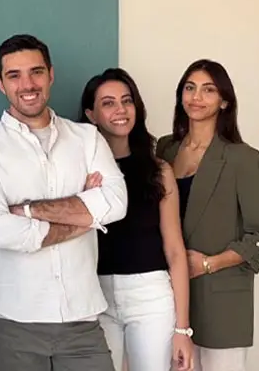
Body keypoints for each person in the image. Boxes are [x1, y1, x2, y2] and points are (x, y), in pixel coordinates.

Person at [0, 34, 128, 371]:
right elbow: (0, 233)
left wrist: (27, 211)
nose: (28, 84)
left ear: (51, 75)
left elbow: (116, 204)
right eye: (14, 75)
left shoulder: (86, 138)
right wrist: (85, 213)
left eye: (36, 72)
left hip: (82, 320)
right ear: (0, 84)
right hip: (12, 322)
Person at [155, 59, 259, 371]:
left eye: (208, 90)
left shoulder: (242, 159)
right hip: (169, 295)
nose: (196, 97)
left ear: (224, 101)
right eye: (190, 88)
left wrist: (209, 264)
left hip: (221, 300)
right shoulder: (165, 149)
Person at [78, 68, 193, 371]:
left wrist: (183, 330)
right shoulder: (77, 171)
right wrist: (83, 196)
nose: (120, 110)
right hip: (95, 295)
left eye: (126, 101)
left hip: (150, 296)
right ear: (91, 114)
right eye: (108, 103)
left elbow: (175, 251)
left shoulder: (159, 170)